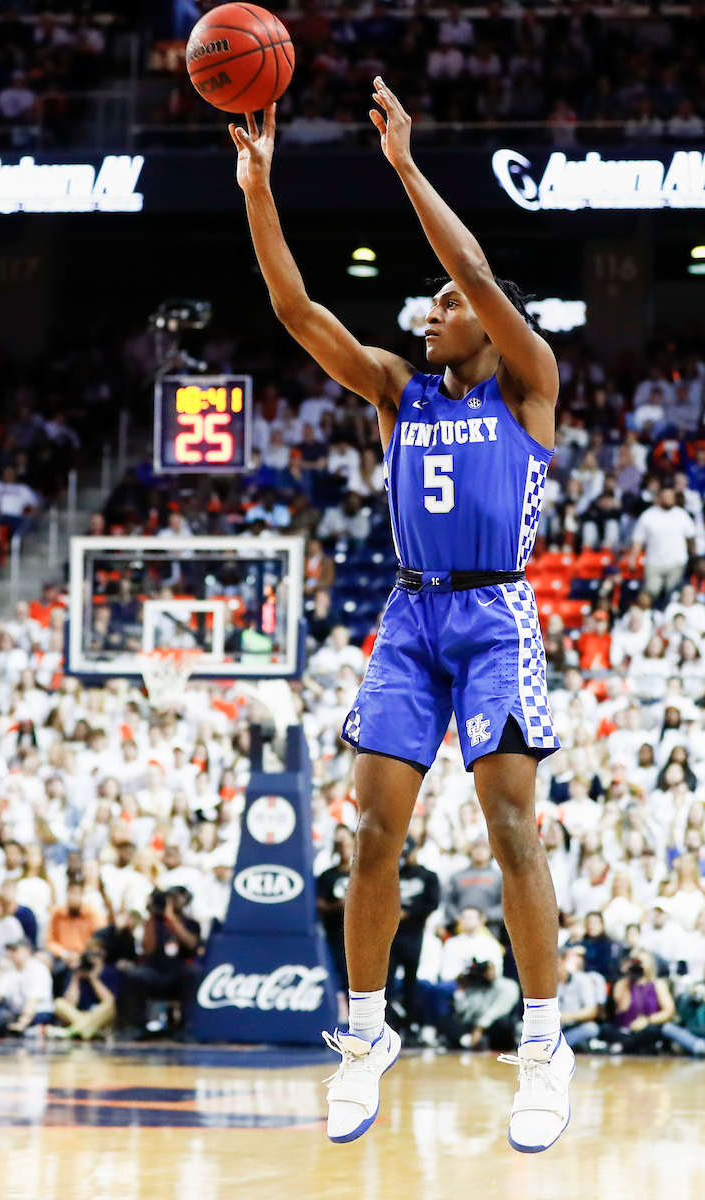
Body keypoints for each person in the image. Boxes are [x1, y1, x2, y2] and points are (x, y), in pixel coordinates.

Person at [228, 78, 567, 1152]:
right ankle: (365, 1034)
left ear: (491, 321)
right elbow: (294, 311)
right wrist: (257, 187)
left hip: (495, 617)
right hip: (411, 622)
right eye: (426, 304)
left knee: (510, 830)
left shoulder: (527, 385)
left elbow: (470, 267)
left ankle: (544, 1041)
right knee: (373, 835)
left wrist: (404, 167)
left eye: (448, 307)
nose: (431, 312)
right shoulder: (394, 392)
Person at [117, 887, 201, 1038]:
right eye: (169, 899)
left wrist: (171, 918)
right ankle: (135, 1027)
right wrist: (152, 916)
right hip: (155, 972)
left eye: (175, 898)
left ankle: (188, 1026)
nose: (171, 902)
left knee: (194, 973)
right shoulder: (154, 922)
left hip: (178, 972)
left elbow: (191, 944)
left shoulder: (190, 922)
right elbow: (147, 949)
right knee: (135, 975)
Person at [387, 836, 440, 1038]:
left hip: (414, 935)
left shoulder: (428, 875)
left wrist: (409, 912)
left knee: (411, 982)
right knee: (387, 982)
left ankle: (410, 1025)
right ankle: (387, 1022)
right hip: (392, 935)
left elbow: (432, 903)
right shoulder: (393, 874)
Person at [601, 950, 676, 1053]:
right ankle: (633, 1046)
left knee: (654, 1031)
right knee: (605, 1029)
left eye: (642, 962)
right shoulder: (623, 984)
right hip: (625, 1030)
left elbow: (668, 1011)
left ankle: (622, 1046)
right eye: (637, 962)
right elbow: (621, 1009)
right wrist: (629, 980)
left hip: (647, 1028)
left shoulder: (658, 984)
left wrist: (647, 1020)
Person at [53, 938, 119, 1041]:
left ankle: (72, 1031)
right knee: (59, 1003)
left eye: (96, 954)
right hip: (80, 1013)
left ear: (103, 954)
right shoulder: (79, 971)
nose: (92, 959)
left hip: (99, 1015)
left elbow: (109, 1001)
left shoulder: (110, 972)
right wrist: (76, 977)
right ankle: (89, 1029)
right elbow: (70, 1002)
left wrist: (94, 979)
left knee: (109, 1006)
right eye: (89, 954)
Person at [316, 825, 354, 991]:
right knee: (331, 977)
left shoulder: (364, 874)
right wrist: (337, 906)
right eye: (340, 844)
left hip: (359, 937)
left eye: (347, 843)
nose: (344, 848)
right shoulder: (328, 876)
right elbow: (318, 904)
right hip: (334, 935)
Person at [556, 944, 601, 1049]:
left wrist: (570, 1016)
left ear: (564, 961)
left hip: (573, 1025)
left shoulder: (582, 979)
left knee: (591, 1028)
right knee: (520, 1027)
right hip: (551, 1026)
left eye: (557, 964)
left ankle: (558, 1047)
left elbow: (591, 1010)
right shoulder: (545, 983)